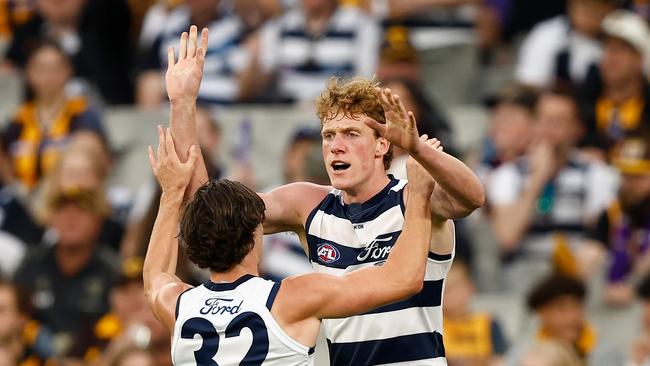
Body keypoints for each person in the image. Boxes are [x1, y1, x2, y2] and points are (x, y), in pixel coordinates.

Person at [169, 26, 484, 365]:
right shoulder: (309, 204)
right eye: (328, 135)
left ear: (382, 144)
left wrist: (418, 148)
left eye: (351, 133)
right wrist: (183, 103)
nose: (336, 145)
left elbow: (472, 197)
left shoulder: (416, 197)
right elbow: (209, 210)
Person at [144, 126, 441, 365]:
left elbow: (155, 276)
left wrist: (171, 196)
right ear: (255, 236)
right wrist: (418, 197)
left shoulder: (177, 305)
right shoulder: (292, 298)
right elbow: (404, 279)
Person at [488, 86, 618, 290]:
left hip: (578, 274)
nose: (548, 130)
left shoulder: (596, 173)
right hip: (525, 274)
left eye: (557, 122)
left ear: (577, 129)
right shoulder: (508, 175)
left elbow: (602, 235)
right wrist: (538, 179)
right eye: (542, 120)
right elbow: (508, 237)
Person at [2, 41, 104, 191]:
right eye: (41, 69)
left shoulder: (84, 114)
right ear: (28, 73)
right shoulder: (17, 120)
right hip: (22, 201)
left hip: (69, 199)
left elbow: (96, 160)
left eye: (55, 68)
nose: (49, 76)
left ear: (68, 70)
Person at [239, 0, 380, 102]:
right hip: (286, 111)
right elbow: (253, 85)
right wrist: (252, 60)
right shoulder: (278, 27)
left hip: (339, 110)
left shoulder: (361, 24)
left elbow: (366, 80)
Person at [589, 132, 650, 305]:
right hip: (612, 294)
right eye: (626, 175)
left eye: (638, 177)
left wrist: (635, 286)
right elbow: (596, 247)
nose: (630, 184)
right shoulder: (611, 213)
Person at [580, 9, 650, 155]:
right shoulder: (582, 104)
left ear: (641, 59)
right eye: (606, 48)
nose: (610, 57)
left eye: (621, 49)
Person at [515, 0, 621, 88]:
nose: (589, 12)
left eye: (598, 7)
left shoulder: (620, 39)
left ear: (611, 9)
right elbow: (530, 83)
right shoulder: (547, 33)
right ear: (570, 5)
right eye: (583, 4)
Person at [443, 260, 508, 365]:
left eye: (454, 285)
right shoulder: (432, 325)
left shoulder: (488, 323)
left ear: (470, 287)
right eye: (444, 287)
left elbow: (500, 360)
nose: (448, 292)